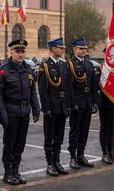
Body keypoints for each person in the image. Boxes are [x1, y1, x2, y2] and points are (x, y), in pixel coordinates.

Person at [0, 39, 40, 185]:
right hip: (11, 112)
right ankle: (8, 172)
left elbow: (32, 90)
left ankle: (16, 171)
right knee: (10, 144)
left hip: (24, 112)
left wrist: (36, 108)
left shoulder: (28, 69)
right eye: (17, 51)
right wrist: (2, 114)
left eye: (22, 51)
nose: (20, 54)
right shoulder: (4, 69)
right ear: (11, 52)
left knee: (20, 144)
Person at [38, 38, 71, 177]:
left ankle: (57, 161)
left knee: (59, 136)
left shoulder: (64, 65)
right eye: (60, 48)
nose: (63, 50)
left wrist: (68, 105)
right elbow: (42, 89)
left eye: (63, 48)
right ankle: (50, 163)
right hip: (51, 106)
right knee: (49, 137)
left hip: (62, 106)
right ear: (52, 49)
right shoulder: (45, 66)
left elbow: (68, 87)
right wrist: (46, 109)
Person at [68, 39, 98, 169]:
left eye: (85, 49)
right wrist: (72, 104)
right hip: (77, 102)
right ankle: (73, 157)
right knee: (75, 131)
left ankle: (81, 155)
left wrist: (94, 102)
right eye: (81, 49)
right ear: (75, 50)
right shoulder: (70, 64)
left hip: (87, 102)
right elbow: (69, 87)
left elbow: (93, 85)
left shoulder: (89, 64)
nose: (84, 51)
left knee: (84, 130)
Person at [97, 48, 114, 164]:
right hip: (104, 103)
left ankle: (112, 151)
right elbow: (97, 86)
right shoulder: (101, 68)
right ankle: (105, 153)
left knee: (112, 129)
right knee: (105, 128)